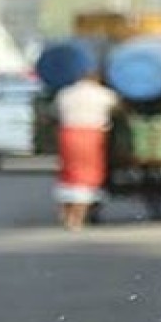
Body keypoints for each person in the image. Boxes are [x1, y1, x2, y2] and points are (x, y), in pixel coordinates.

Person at [53, 71, 119, 231]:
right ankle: (77, 218)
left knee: (69, 173)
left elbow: (54, 112)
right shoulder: (102, 94)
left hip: (68, 134)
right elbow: (118, 108)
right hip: (92, 135)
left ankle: (66, 213)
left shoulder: (65, 93)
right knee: (87, 176)